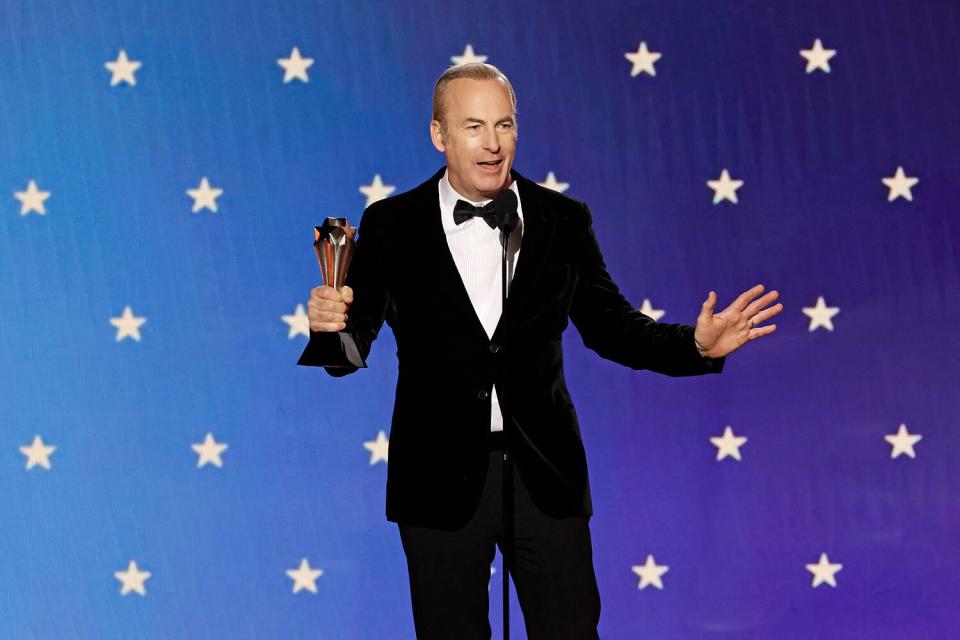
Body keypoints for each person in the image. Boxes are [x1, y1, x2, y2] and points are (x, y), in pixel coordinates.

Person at [299, 62, 782, 639]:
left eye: (504, 125)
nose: (493, 143)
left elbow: (611, 328)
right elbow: (354, 347)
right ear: (439, 135)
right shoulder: (393, 224)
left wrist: (695, 345)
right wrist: (330, 330)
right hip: (436, 476)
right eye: (474, 126)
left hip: (543, 476)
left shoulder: (562, 220)